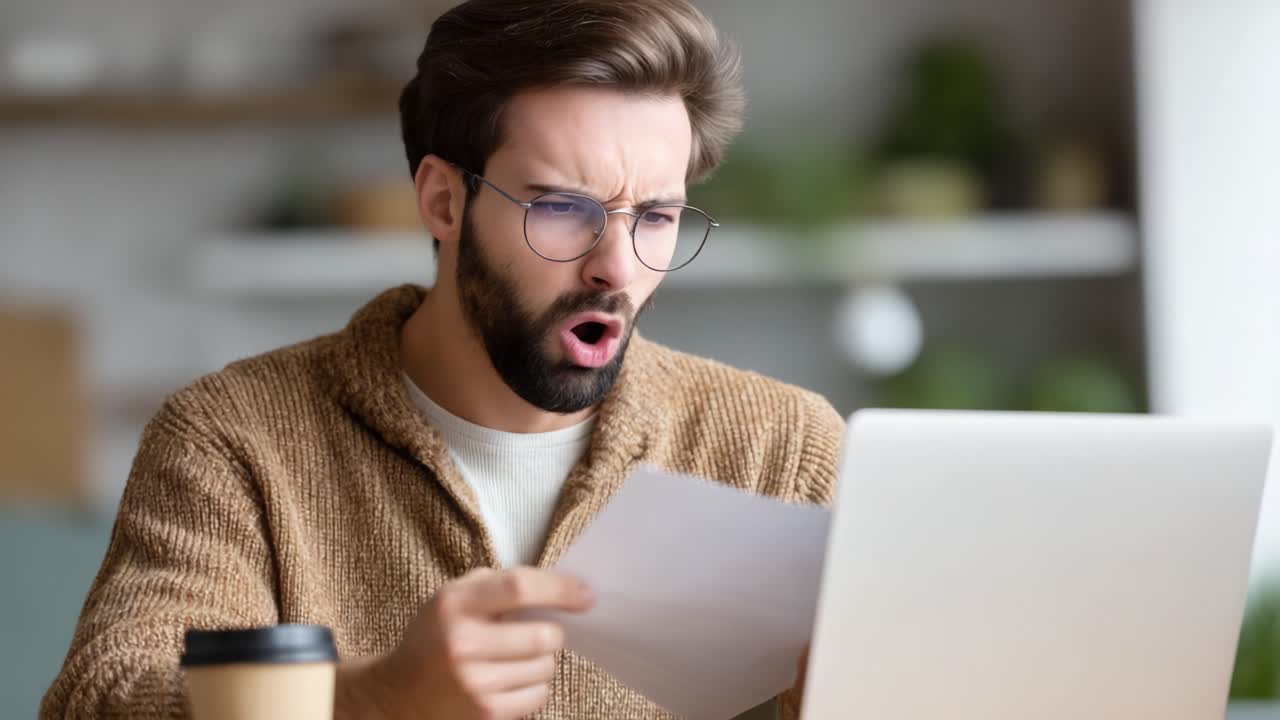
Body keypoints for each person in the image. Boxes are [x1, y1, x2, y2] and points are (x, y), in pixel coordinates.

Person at [41, 1, 844, 717]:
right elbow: (105, 696)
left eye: (657, 217)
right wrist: (372, 702)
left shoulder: (783, 448)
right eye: (565, 208)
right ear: (443, 200)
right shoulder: (233, 440)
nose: (619, 268)